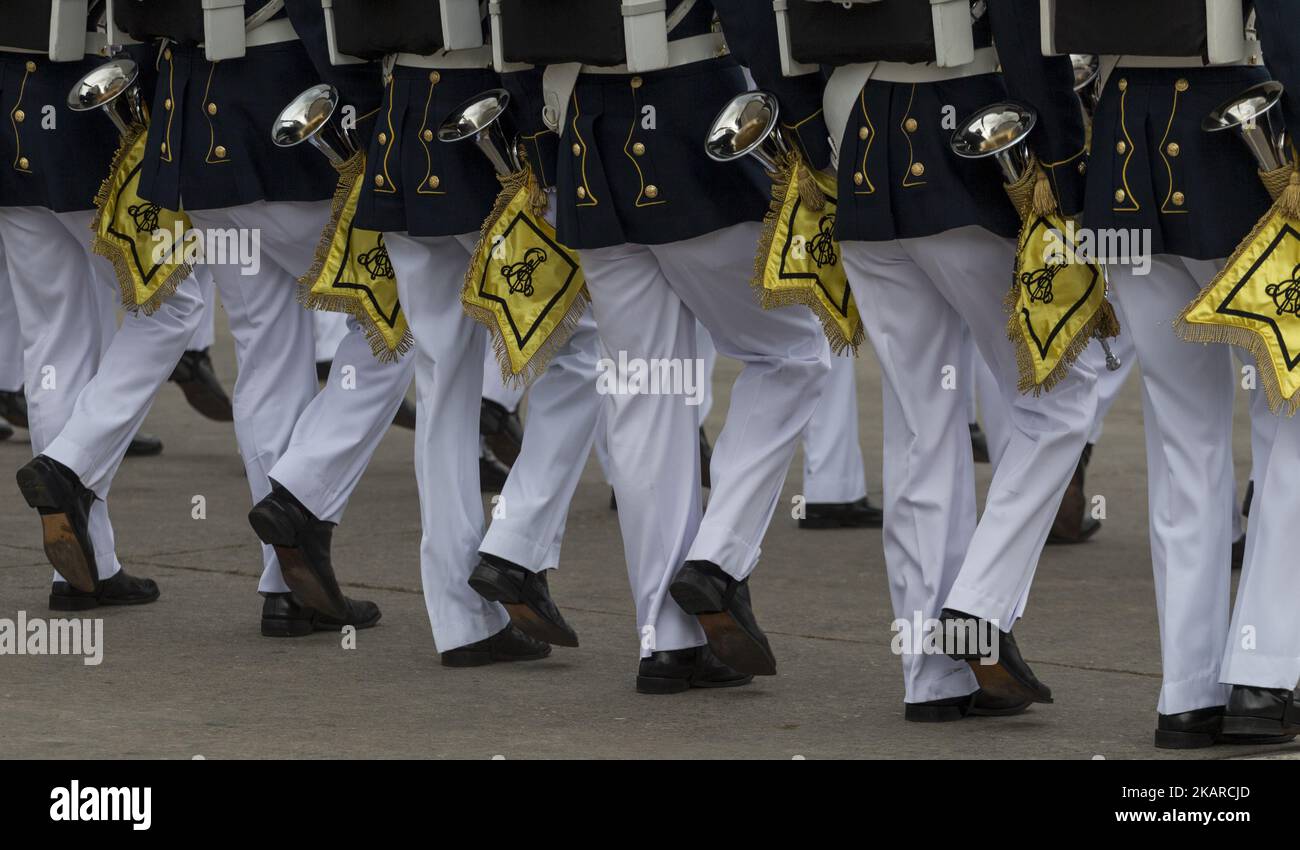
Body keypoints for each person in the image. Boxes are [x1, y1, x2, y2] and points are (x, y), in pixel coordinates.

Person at [502, 0, 834, 692]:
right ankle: (717, 563)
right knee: (793, 355)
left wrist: (543, 149)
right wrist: (808, 132)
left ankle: (667, 643)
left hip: (585, 139)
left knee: (643, 392)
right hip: (692, 124)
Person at [806, 0, 1098, 719]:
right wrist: (1058, 169)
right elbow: (1027, 24)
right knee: (1063, 391)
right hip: (969, 137)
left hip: (859, 140)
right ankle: (978, 608)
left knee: (920, 424)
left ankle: (933, 678)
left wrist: (812, 138)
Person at [1067, 0, 1300, 746]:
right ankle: (1266, 676)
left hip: (1120, 152)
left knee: (1184, 440)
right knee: (1291, 419)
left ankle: (1188, 693)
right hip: (1244, 151)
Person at [4, 4, 170, 609]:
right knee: (175, 303)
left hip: (9, 103)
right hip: (80, 100)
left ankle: (86, 566)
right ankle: (69, 467)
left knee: (52, 338)